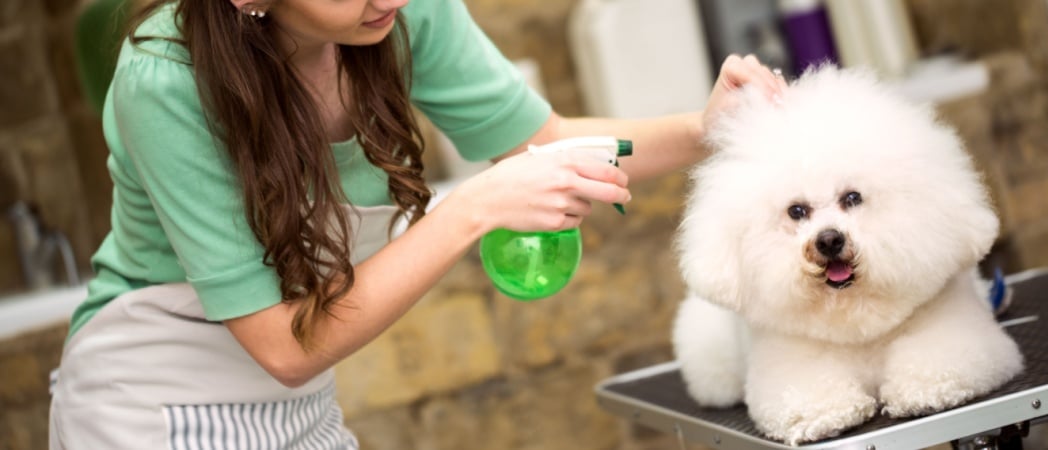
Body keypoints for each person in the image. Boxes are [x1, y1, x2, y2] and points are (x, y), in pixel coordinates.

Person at [48, 0, 785, 447]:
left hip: (297, 409)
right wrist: (469, 208)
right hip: (156, 404)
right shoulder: (165, 82)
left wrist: (704, 128)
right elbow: (283, 345)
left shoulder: (395, 16)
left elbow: (540, 138)